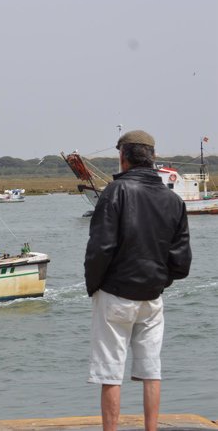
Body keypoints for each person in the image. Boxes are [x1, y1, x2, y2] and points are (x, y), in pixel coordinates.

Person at [84, 130, 191, 431]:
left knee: (109, 372)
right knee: (151, 369)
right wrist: (159, 281)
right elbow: (181, 263)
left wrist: (94, 285)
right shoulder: (173, 200)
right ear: (152, 158)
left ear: (123, 157)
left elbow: (99, 249)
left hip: (115, 293)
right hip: (152, 297)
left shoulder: (114, 192)